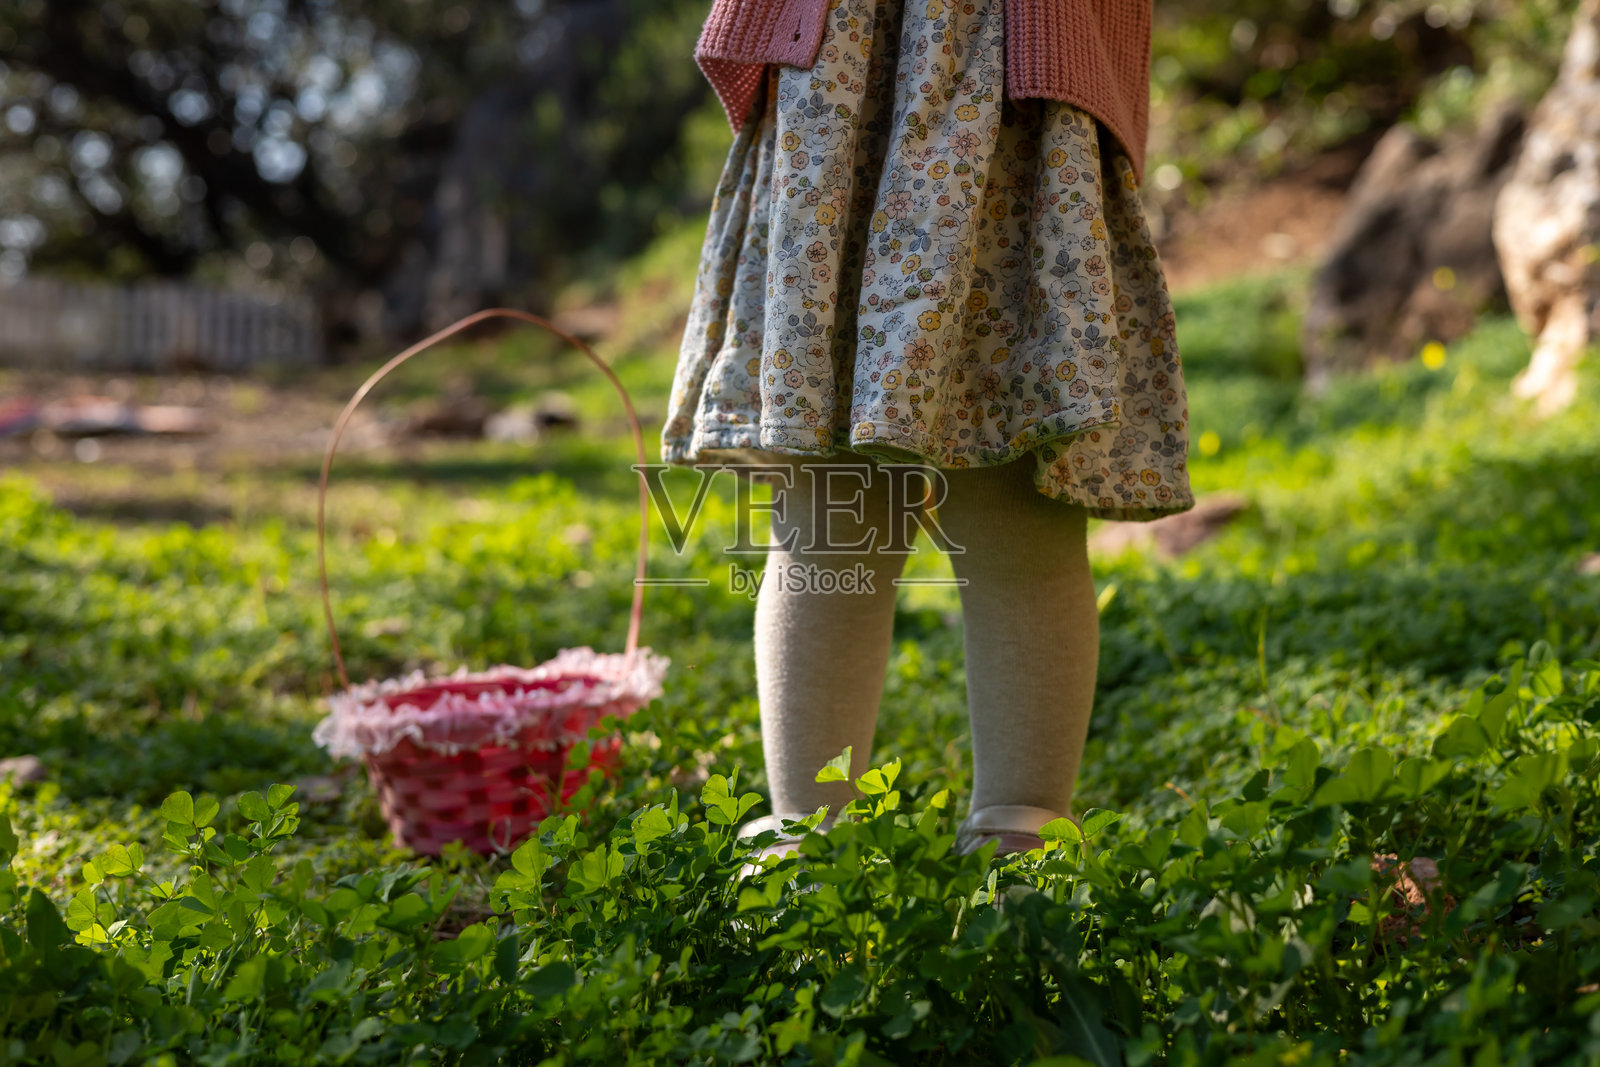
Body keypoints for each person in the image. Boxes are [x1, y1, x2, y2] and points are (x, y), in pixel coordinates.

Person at [661, 0, 1192, 856]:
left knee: (1006, 492)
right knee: (838, 499)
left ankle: (1007, 833)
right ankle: (815, 834)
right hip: (850, 82)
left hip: (1003, 83)